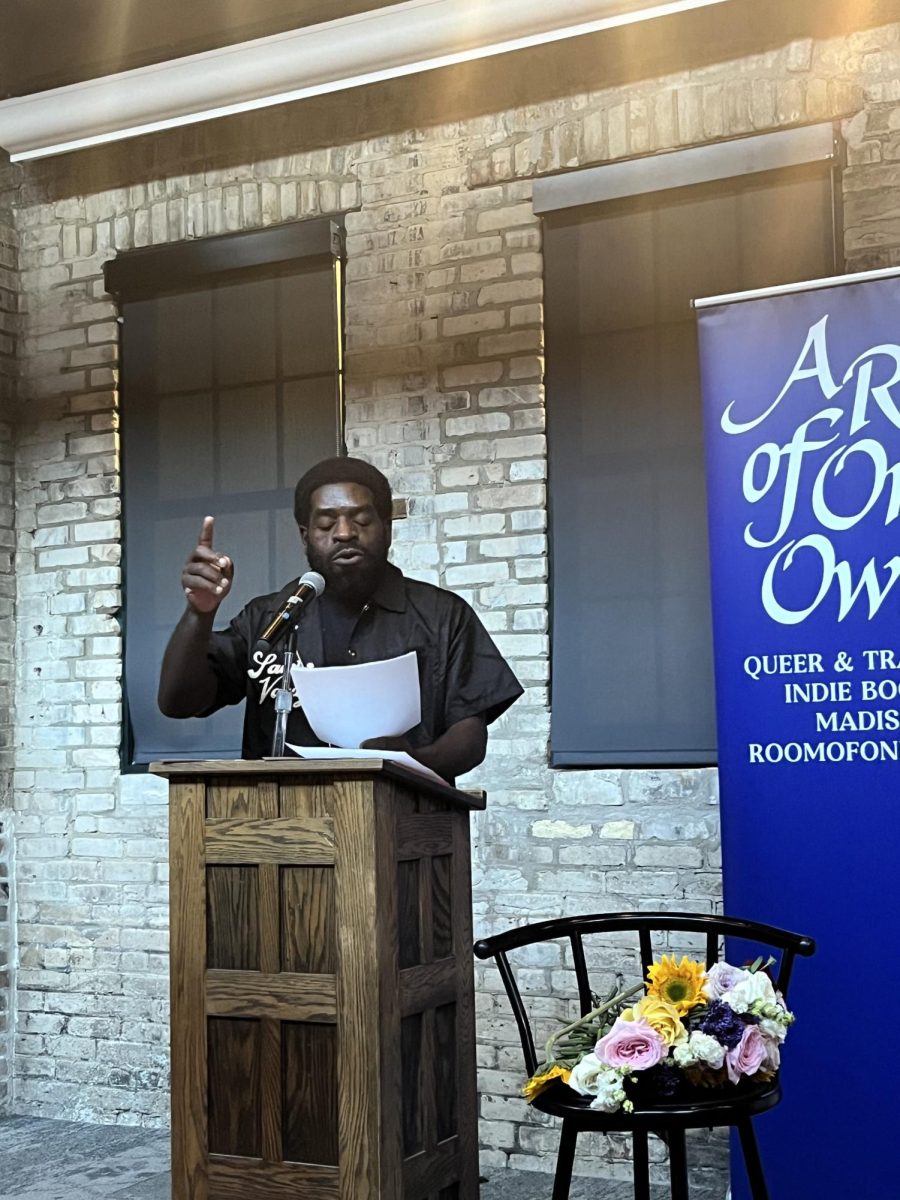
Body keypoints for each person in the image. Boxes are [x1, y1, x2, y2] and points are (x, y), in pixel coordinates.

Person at [158, 457, 523, 782]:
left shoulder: (443, 615)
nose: (345, 532)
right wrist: (199, 613)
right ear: (306, 537)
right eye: (327, 523)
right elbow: (179, 702)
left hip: (407, 826)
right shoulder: (268, 618)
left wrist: (405, 763)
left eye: (361, 519)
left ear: (387, 529)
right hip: (283, 831)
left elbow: (470, 738)